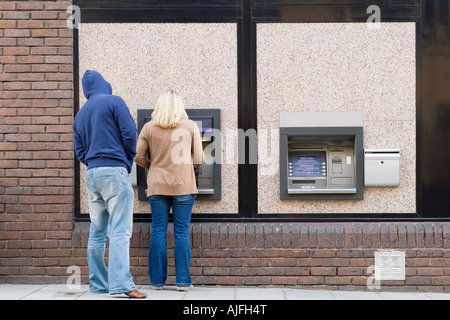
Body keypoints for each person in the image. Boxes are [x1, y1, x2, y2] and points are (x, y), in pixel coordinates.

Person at [73, 70, 147, 299]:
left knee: (97, 231)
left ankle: (98, 284)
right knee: (119, 231)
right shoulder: (114, 101)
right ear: (104, 84)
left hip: (92, 174)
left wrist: (94, 162)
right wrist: (125, 159)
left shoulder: (80, 114)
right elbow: (130, 133)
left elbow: (80, 152)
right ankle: (122, 284)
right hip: (114, 172)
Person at [134, 90, 204, 291]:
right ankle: (183, 282)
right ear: (180, 107)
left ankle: (157, 282)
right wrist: (193, 167)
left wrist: (153, 165)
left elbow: (137, 156)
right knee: (182, 232)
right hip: (184, 186)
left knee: (158, 230)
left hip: (157, 186)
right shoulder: (190, 126)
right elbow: (199, 158)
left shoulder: (148, 128)